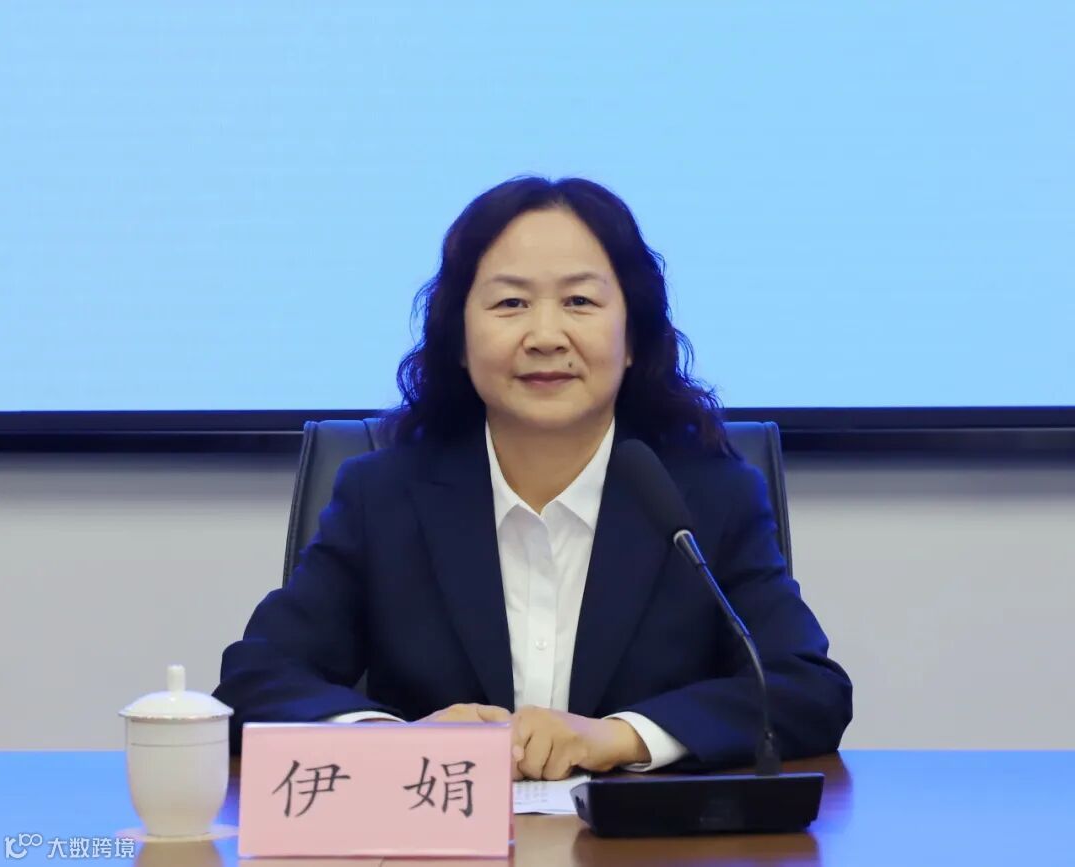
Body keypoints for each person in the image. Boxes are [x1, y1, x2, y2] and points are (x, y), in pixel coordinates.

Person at [213, 176, 852, 779]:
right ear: (459, 340)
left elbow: (804, 689)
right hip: (438, 834)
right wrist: (400, 742)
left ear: (633, 336)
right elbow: (255, 679)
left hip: (640, 841)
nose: (546, 336)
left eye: (580, 302)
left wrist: (619, 737)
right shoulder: (382, 497)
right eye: (511, 303)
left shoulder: (707, 497)